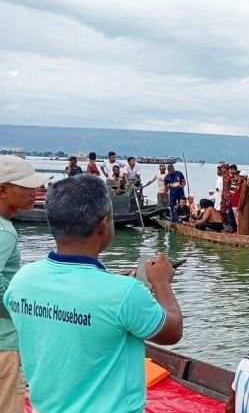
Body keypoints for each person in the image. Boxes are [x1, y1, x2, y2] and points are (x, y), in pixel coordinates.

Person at [3, 175, 182, 413]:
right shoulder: (125, 294)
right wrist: (161, 282)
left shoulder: (23, 280)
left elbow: (72, 300)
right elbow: (171, 332)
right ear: (104, 224)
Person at [0, 156, 51, 413]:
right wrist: (21, 313)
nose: (36, 192)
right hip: (4, 342)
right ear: (3, 190)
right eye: (28, 187)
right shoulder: (5, 232)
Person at [237, 171, 249, 236]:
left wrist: (239, 207)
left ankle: (243, 234)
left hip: (245, 206)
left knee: (243, 221)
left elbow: (242, 198)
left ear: (242, 177)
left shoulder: (244, 185)